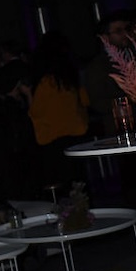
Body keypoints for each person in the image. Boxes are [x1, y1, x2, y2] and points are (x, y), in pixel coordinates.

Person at [28, 31, 89, 190]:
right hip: (76, 133)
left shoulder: (46, 82)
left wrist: (28, 95)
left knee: (63, 185)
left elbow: (36, 111)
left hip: (54, 138)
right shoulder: (72, 78)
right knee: (79, 181)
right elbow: (85, 101)